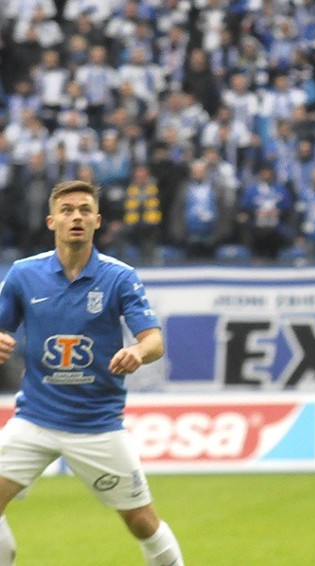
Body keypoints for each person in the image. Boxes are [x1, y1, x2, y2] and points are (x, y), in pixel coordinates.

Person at [0, 180, 185, 565]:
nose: (76, 217)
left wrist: (137, 351)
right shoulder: (22, 275)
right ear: (52, 221)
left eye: (85, 209)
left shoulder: (119, 277)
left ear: (98, 220)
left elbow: (154, 341)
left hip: (97, 424)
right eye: (67, 210)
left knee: (141, 521)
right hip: (35, 418)